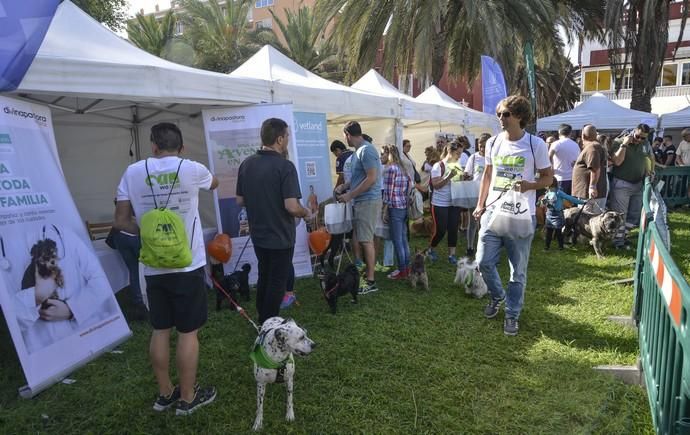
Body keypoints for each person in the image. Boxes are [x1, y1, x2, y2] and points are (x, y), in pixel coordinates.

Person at [115, 122, 219, 415]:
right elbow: (213, 184)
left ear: (154, 146)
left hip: (152, 266)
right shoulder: (192, 168)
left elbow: (121, 221)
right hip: (188, 264)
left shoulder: (133, 172)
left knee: (160, 329)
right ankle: (187, 398)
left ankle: (165, 394)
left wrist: (148, 232)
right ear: (182, 147)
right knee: (188, 332)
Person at [473, 95, 553, 336]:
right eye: (499, 114)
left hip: (521, 215)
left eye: (505, 114)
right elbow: (488, 175)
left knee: (517, 271)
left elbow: (548, 178)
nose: (501, 118)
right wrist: (480, 204)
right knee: (483, 262)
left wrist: (529, 186)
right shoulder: (493, 143)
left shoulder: (535, 145)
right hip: (492, 212)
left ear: (519, 116)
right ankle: (498, 296)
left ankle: (512, 314)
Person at [237, 118, 311, 322]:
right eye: (287, 136)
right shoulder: (285, 167)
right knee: (277, 282)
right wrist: (306, 212)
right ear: (279, 139)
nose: (288, 139)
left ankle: (263, 318)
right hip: (280, 235)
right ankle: (268, 324)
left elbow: (240, 200)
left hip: (259, 234)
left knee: (265, 276)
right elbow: (291, 206)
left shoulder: (247, 163)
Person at [13, 224, 116, 355]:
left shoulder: (65, 235)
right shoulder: (28, 266)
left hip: (86, 330)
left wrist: (73, 309)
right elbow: (11, 314)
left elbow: (100, 280)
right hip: (42, 344)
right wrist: (36, 297)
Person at [335, 121, 382, 294]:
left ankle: (370, 281)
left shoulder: (367, 150)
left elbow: (371, 178)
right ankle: (368, 276)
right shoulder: (359, 151)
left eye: (344, 135)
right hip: (362, 200)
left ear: (347, 134)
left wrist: (350, 195)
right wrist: (344, 186)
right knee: (364, 238)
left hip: (368, 200)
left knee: (366, 240)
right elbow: (359, 177)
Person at [608, 124, 653, 250]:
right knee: (620, 215)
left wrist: (649, 170)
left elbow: (647, 158)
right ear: (634, 132)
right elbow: (617, 162)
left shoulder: (645, 144)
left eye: (643, 138)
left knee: (634, 215)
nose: (639, 140)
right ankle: (618, 242)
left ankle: (623, 237)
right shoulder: (619, 142)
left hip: (638, 184)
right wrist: (624, 144)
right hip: (622, 184)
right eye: (638, 136)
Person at [426, 140, 464, 264]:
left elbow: (458, 183)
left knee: (453, 229)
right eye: (457, 153)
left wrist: (464, 178)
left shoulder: (457, 165)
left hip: (454, 202)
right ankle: (431, 249)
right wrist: (448, 177)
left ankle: (451, 255)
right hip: (440, 203)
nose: (459, 156)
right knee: (441, 230)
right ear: (449, 151)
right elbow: (436, 185)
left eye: (460, 154)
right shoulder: (438, 166)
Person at [382, 145, 411, 279]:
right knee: (404, 239)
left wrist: (384, 210)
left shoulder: (390, 169)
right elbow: (408, 187)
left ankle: (402, 270)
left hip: (395, 207)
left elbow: (388, 192)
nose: (381, 156)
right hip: (404, 206)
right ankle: (407, 267)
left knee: (397, 240)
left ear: (388, 154)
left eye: (382, 153)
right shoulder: (402, 168)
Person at [463, 133, 490, 257]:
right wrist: (466, 176)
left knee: (486, 222)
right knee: (473, 221)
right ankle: (470, 246)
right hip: (475, 193)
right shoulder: (473, 158)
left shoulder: (493, 158)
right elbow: (467, 173)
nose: (482, 148)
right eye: (480, 145)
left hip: (490, 195)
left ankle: (484, 246)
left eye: (485, 146)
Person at [540, 178, 585, 250]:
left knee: (558, 232)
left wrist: (582, 202)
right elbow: (542, 204)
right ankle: (547, 247)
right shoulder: (547, 193)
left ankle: (560, 247)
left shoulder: (558, 192)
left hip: (557, 214)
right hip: (549, 214)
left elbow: (569, 198)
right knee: (549, 232)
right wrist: (543, 202)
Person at [572, 124, 608, 212]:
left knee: (589, 218)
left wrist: (592, 186)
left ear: (583, 135)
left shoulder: (592, 148)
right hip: (587, 193)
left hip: (591, 195)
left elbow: (595, 169)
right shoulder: (592, 147)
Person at [549, 124, 580, 195]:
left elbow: (549, 156)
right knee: (571, 203)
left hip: (559, 178)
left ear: (559, 132)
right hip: (573, 178)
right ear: (570, 133)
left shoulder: (556, 144)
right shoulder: (575, 145)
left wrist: (551, 167)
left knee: (559, 203)